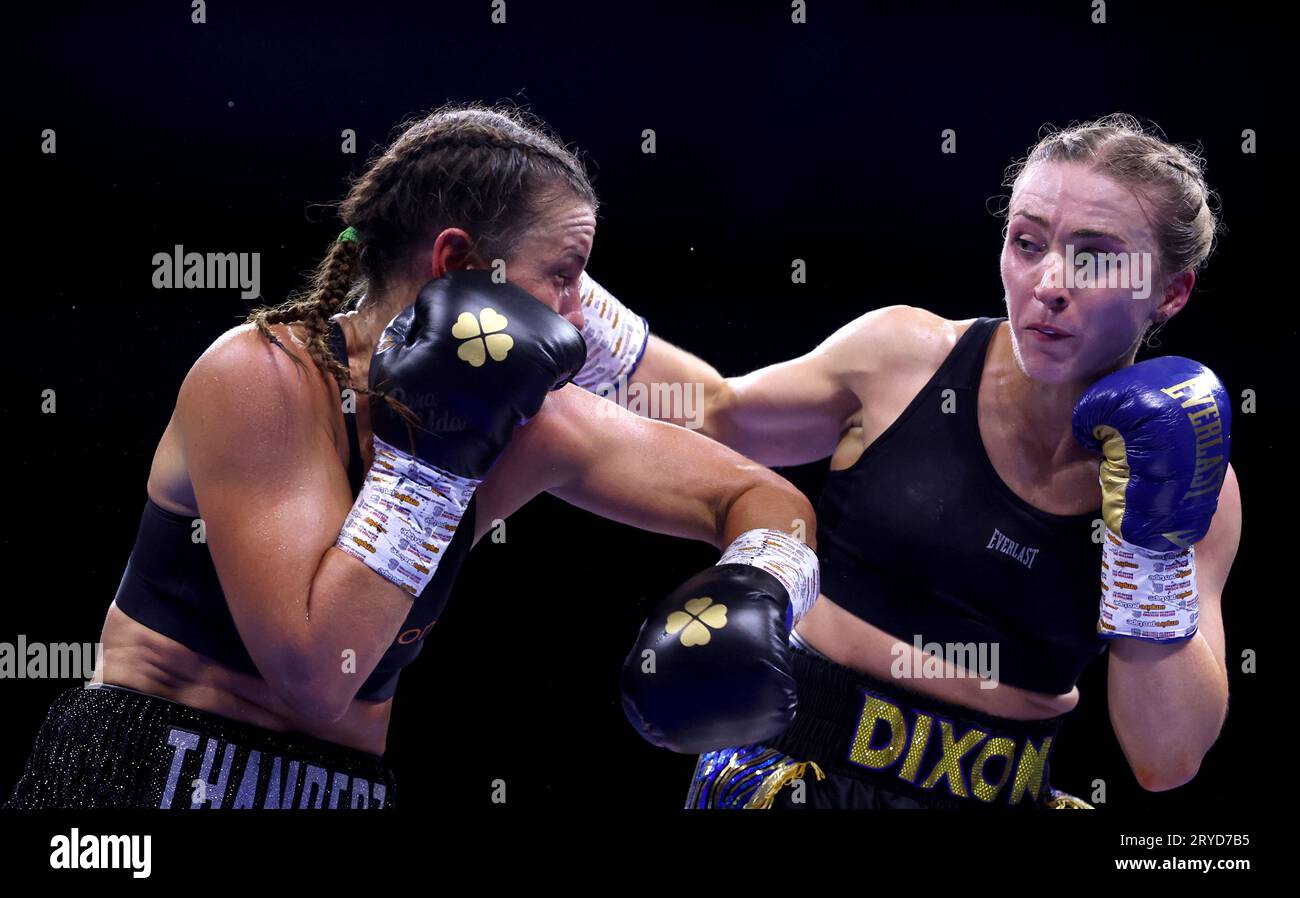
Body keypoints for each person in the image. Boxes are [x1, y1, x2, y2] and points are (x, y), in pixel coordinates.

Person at [4, 104, 818, 810]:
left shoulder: (540, 424)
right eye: (565, 277)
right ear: (458, 264)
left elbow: (760, 495)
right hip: (146, 781)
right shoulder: (262, 377)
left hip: (345, 791)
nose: (577, 319)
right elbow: (319, 679)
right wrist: (439, 456)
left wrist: (762, 583)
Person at [606, 113, 1241, 808]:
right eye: (1028, 244)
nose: (1050, 282)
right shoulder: (906, 358)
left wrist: (1149, 548)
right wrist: (575, 310)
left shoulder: (1194, 477)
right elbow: (720, 412)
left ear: (1172, 292)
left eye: (1094, 257)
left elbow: (1166, 758)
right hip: (798, 778)